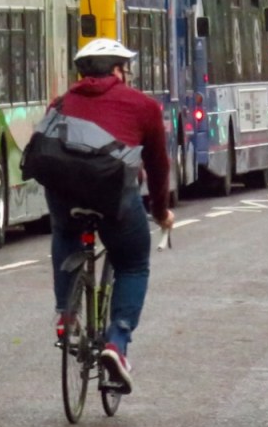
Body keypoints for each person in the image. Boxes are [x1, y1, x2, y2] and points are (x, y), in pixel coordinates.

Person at [46, 37, 175, 394]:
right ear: (118, 70)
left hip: (65, 196)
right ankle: (117, 342)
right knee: (133, 263)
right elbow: (157, 165)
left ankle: (66, 314)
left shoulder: (59, 104)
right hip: (115, 198)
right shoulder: (143, 105)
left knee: (65, 233)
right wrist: (161, 210)